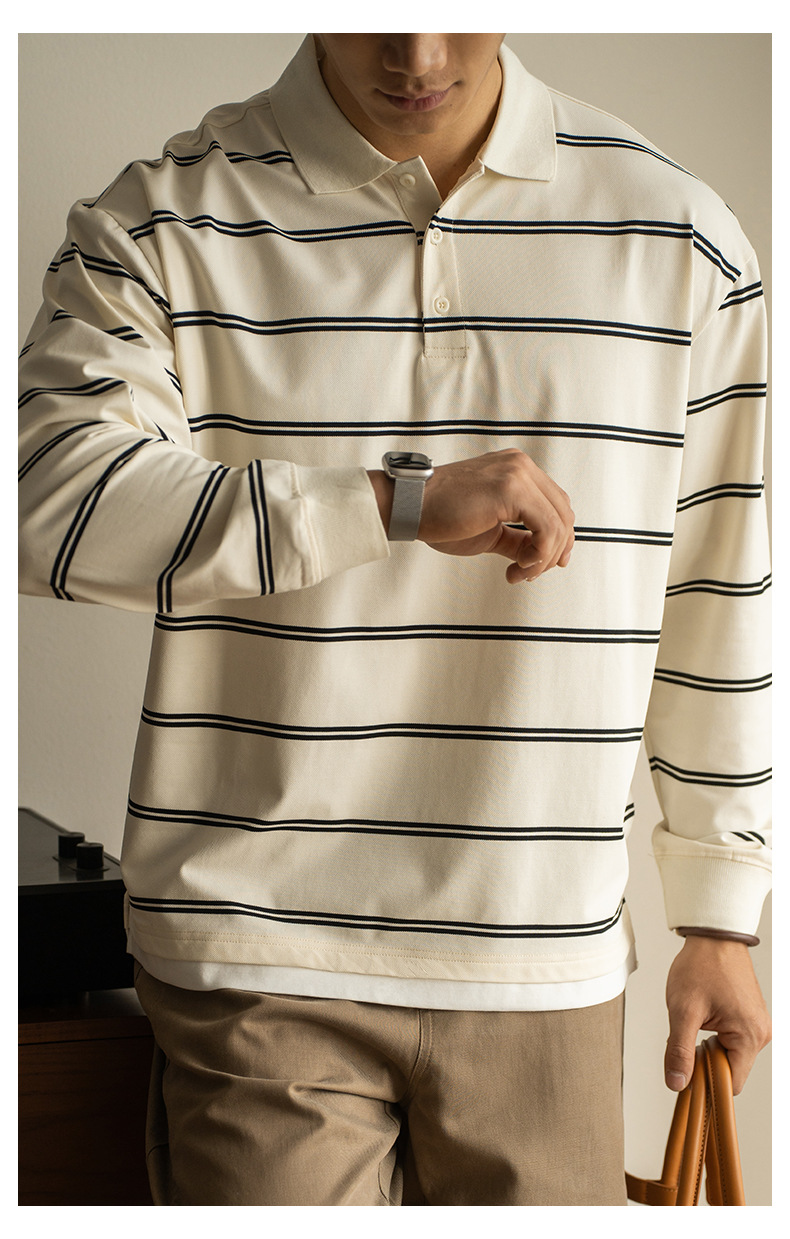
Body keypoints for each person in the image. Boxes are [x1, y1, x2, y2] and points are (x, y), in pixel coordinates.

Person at [18, 34, 771, 1206]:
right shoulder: (163, 218)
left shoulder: (679, 237)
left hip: (540, 949)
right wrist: (390, 504)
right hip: (255, 948)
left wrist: (719, 915)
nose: (415, 53)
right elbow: (46, 504)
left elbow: (716, 588)